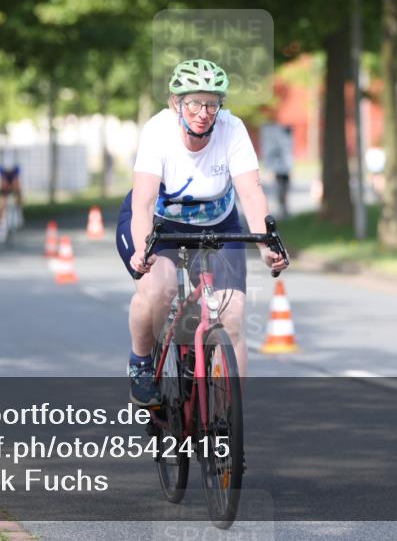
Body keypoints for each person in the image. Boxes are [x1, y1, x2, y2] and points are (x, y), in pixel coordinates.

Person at [117, 58, 288, 406]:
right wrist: (142, 250)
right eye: (194, 102)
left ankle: (231, 420)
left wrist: (266, 246)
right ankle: (140, 362)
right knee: (159, 290)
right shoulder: (157, 131)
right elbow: (145, 203)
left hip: (218, 225)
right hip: (160, 226)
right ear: (176, 104)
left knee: (234, 312)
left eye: (212, 103)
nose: (204, 112)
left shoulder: (232, 129)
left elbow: (251, 193)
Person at [0, 152, 23, 241]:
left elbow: (17, 183)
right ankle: (1, 226)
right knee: (0, 204)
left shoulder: (16, 169)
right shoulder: (0, 170)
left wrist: (15, 190)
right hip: (4, 188)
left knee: (19, 195)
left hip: (13, 185)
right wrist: (4, 190)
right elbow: (1, 183)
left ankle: (19, 211)